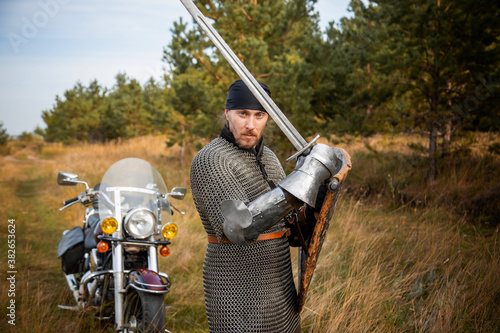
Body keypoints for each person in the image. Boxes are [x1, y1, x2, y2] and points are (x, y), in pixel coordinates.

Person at [190, 80, 302, 332]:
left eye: (259, 115)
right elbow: (239, 227)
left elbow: (289, 221)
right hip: (236, 285)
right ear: (227, 114)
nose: (251, 125)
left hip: (279, 281)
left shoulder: (269, 157)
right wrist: (300, 186)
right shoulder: (211, 159)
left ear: (267, 118)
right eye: (243, 114)